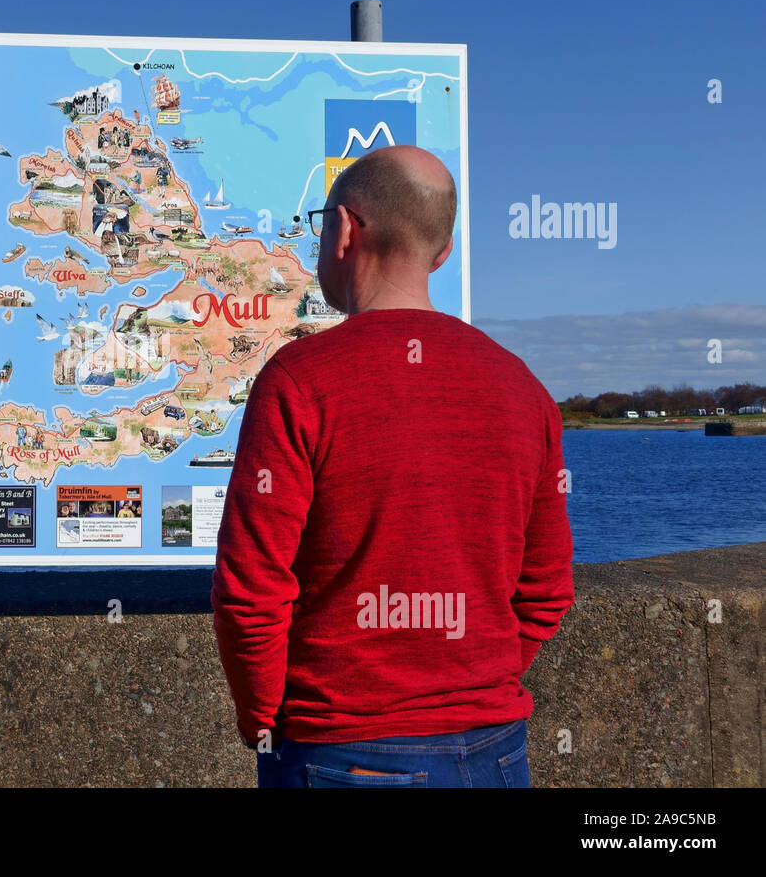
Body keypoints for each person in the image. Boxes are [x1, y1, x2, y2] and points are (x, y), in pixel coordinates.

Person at [211, 145, 574, 788]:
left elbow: (253, 588)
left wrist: (262, 717)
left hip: (339, 750)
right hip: (495, 750)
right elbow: (546, 589)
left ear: (346, 230)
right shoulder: (524, 389)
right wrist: (471, 683)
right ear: (442, 251)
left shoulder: (298, 382)